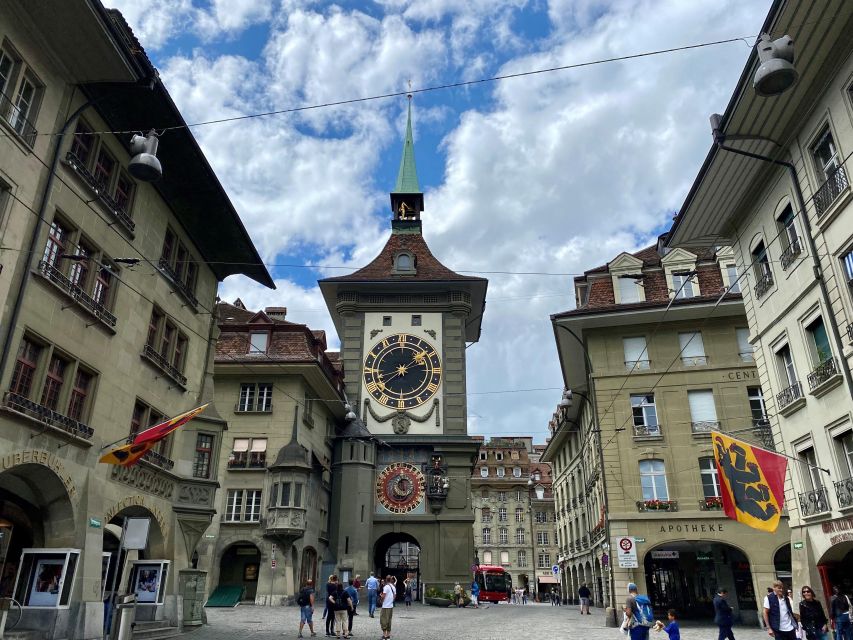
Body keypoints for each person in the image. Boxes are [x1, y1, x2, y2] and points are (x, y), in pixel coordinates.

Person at [380, 574, 396, 640]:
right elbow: (395, 596)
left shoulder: (386, 587)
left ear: (386, 579)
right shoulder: (393, 587)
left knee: (383, 620)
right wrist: (391, 601)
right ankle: (388, 635)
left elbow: (383, 596)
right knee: (389, 620)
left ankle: (384, 636)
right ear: (391, 580)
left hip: (385, 606)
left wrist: (381, 599)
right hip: (391, 606)